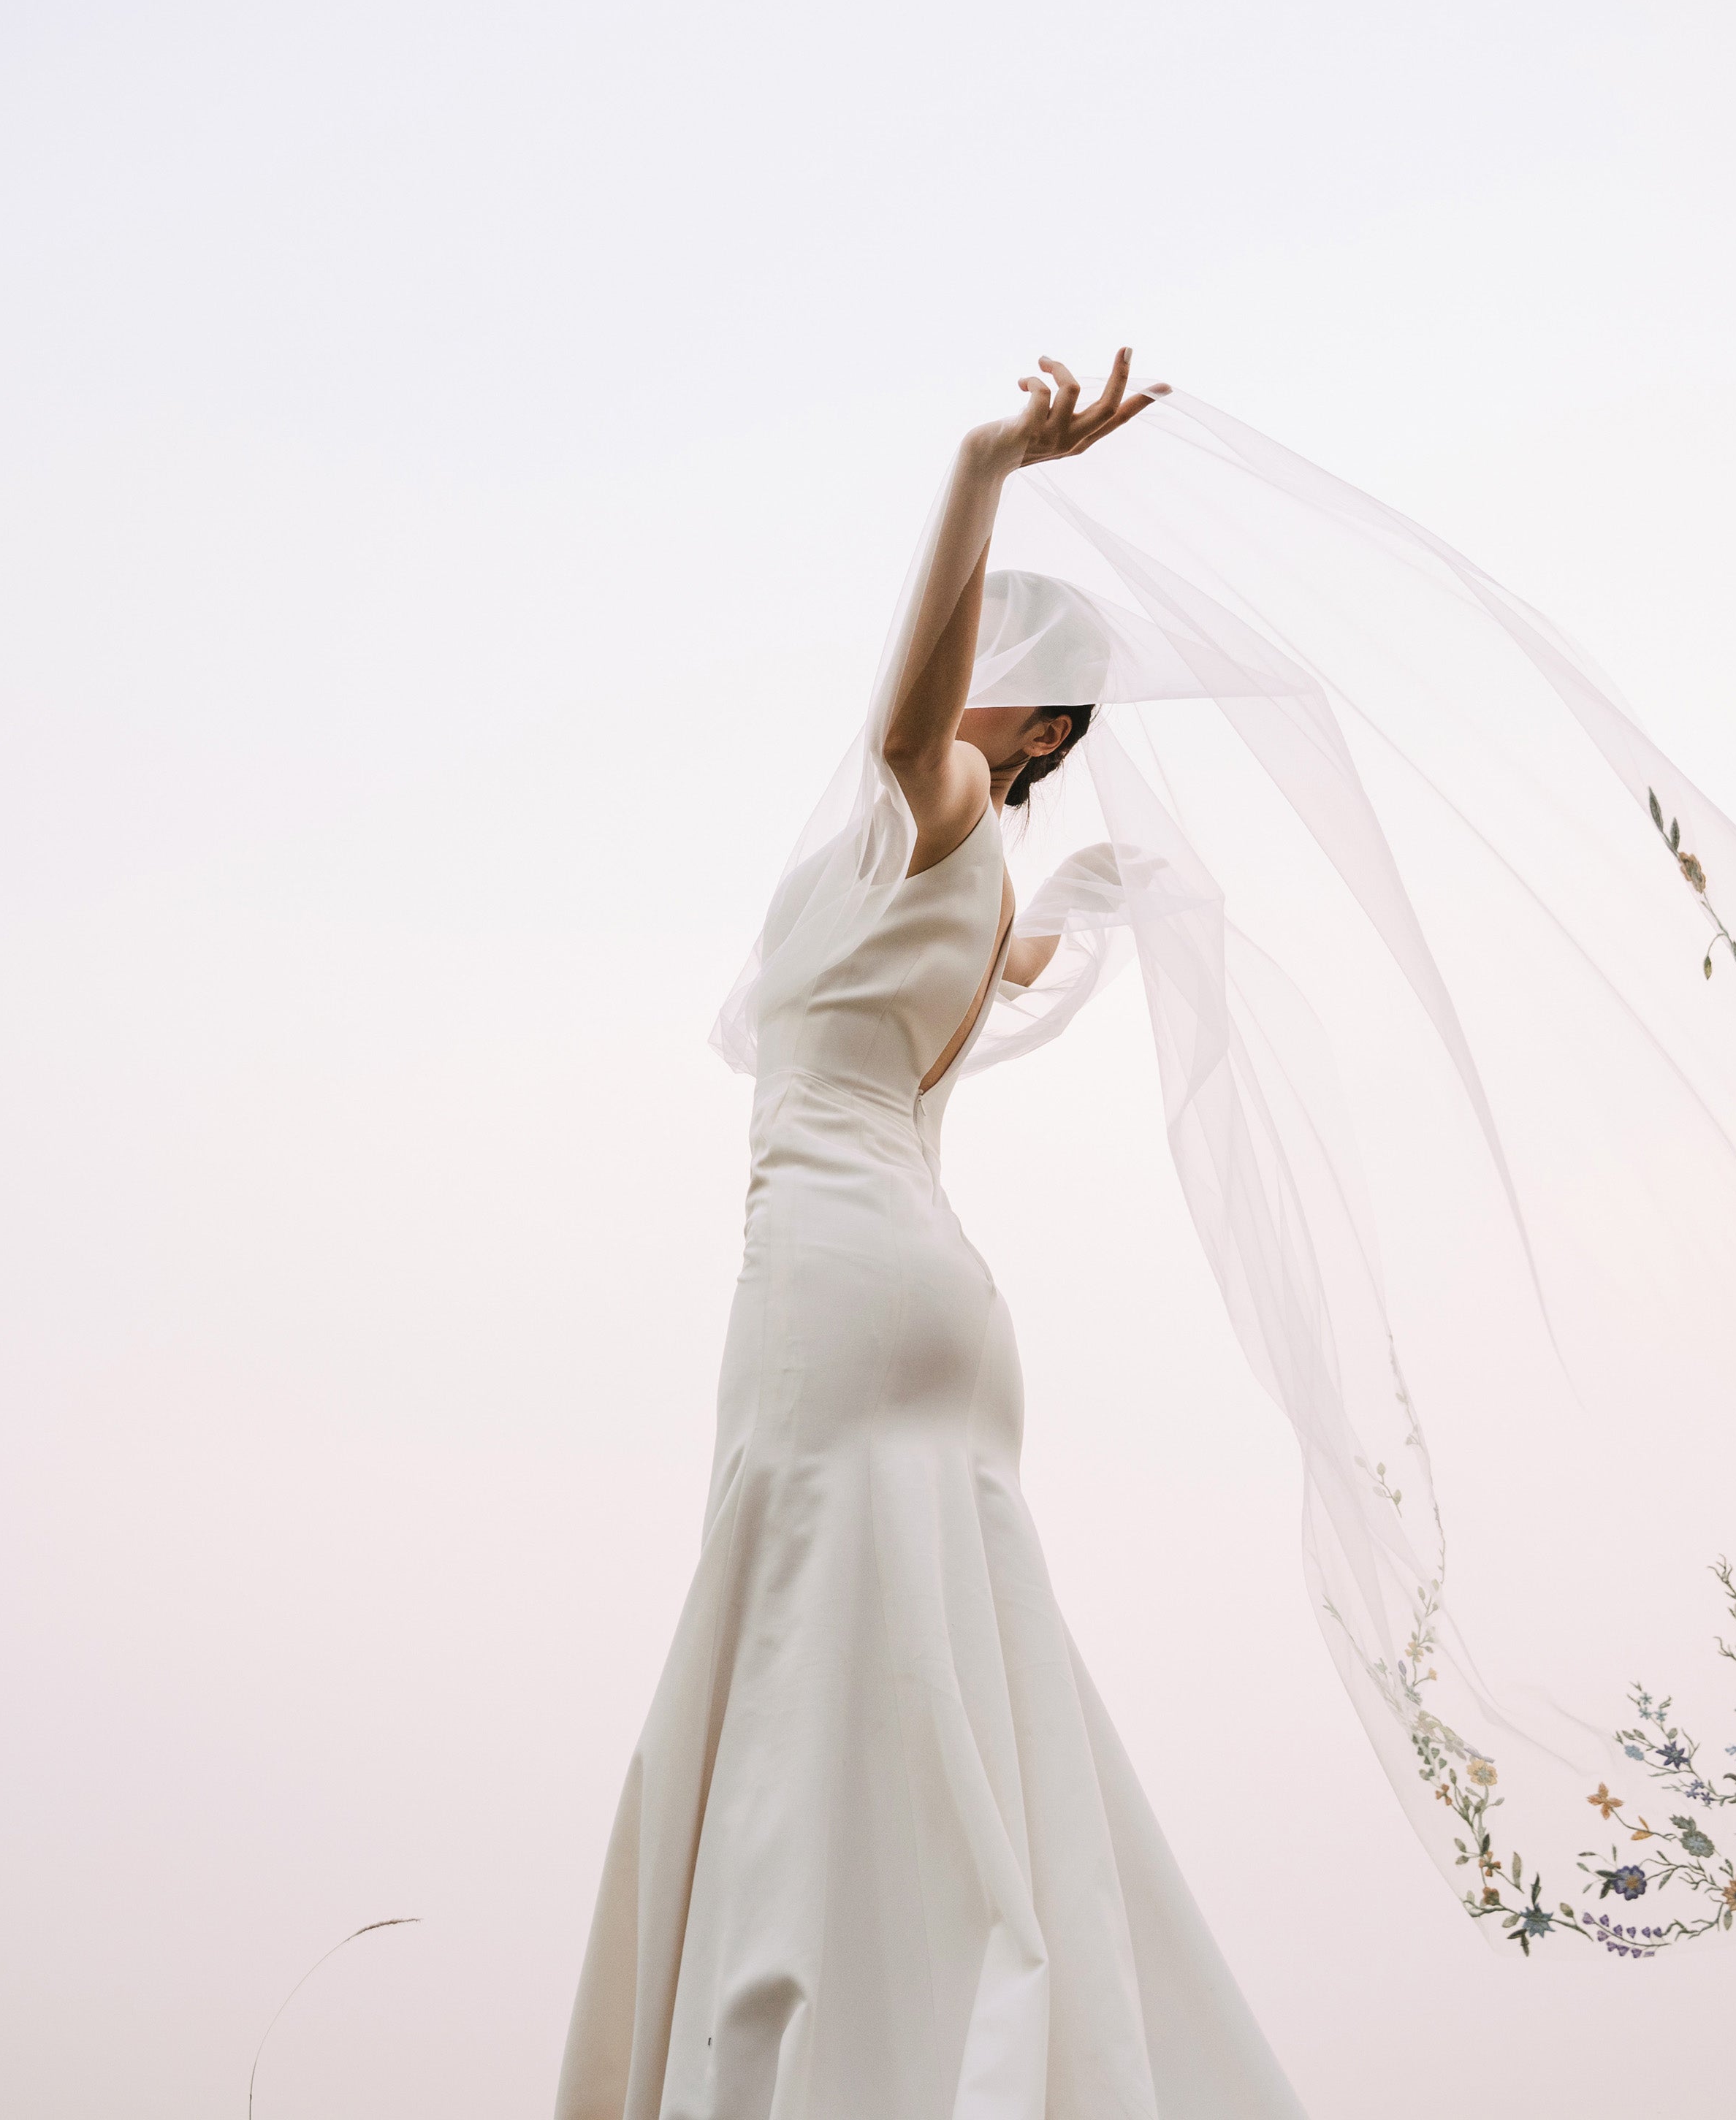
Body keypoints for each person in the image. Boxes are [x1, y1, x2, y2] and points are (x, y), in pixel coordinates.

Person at [556, 354, 1312, 2120]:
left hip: (838, 1270)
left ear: (1030, 729)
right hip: (926, 1285)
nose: (965, 695)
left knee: (809, 1645)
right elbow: (1034, 951)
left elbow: (910, 722)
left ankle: (815, 2060)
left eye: (1002, 683)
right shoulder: (979, 903)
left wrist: (984, 473)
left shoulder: (944, 813)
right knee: (935, 1665)